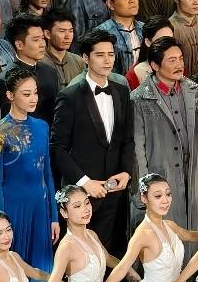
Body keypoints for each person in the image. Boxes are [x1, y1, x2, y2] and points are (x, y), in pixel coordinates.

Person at [50, 29, 135, 259]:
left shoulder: (121, 92)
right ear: (85, 58)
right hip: (82, 195)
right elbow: (57, 148)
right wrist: (85, 183)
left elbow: (127, 139)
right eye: (100, 55)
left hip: (115, 192)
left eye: (111, 54)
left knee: (112, 255)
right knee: (82, 259)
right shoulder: (70, 96)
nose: (107, 60)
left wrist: (126, 172)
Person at [0, 68, 58, 282]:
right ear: (10, 95)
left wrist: (54, 217)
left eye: (35, 93)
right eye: (26, 94)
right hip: (13, 209)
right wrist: (0, 224)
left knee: (40, 264)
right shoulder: (0, 133)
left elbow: (47, 173)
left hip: (40, 208)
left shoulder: (42, 127)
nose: (33, 99)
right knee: (13, 268)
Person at [130, 37, 198, 231]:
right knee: (164, 233)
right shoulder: (140, 98)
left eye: (181, 59)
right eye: (172, 60)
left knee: (192, 232)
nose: (179, 65)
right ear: (155, 65)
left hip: (191, 171)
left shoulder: (193, 89)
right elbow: (137, 149)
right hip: (160, 174)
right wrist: (143, 187)